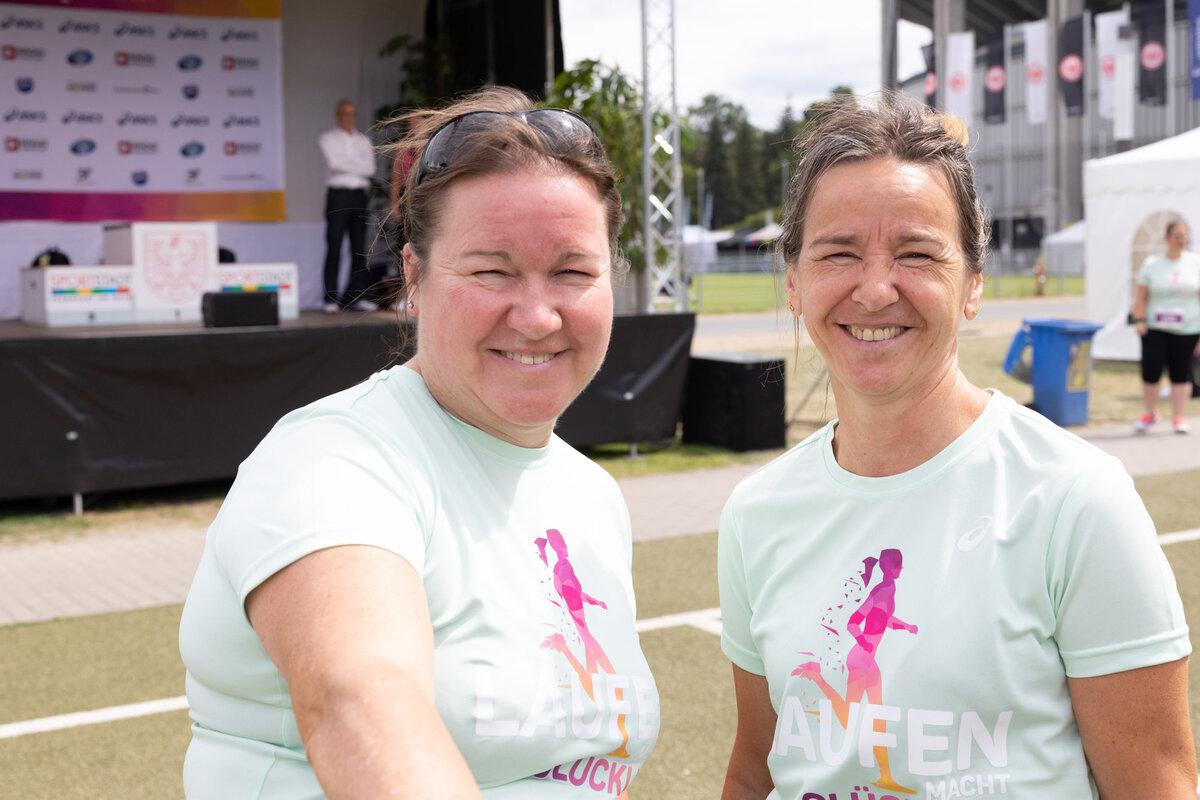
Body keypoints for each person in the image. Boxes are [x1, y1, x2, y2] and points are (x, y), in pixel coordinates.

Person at [179, 86, 659, 798]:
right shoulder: (334, 462)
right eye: (491, 270)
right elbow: (360, 703)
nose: (537, 316)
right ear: (414, 275)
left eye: (573, 271)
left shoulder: (591, 493)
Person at [717, 94, 1195, 800]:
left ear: (973, 283)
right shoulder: (757, 511)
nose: (875, 290)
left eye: (916, 254)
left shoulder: (1075, 499)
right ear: (793, 282)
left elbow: (1154, 785)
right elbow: (758, 768)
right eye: (839, 253)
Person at [1130, 219, 1200, 434]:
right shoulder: (1152, 264)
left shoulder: (1195, 262)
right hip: (1155, 327)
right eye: (1177, 236)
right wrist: (1139, 321)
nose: (1182, 240)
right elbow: (1141, 296)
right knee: (1151, 370)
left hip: (1188, 328)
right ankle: (1150, 412)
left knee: (1181, 372)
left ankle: (1178, 416)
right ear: (1167, 238)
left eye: (1185, 236)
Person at [318, 98, 376, 313]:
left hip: (359, 196)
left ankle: (357, 296)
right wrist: (356, 164)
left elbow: (370, 169)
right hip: (338, 196)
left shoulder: (364, 140)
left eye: (352, 114)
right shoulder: (328, 138)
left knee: (359, 248)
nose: (349, 118)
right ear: (337, 116)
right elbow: (334, 164)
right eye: (345, 114)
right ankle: (330, 298)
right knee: (334, 246)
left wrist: (348, 164)